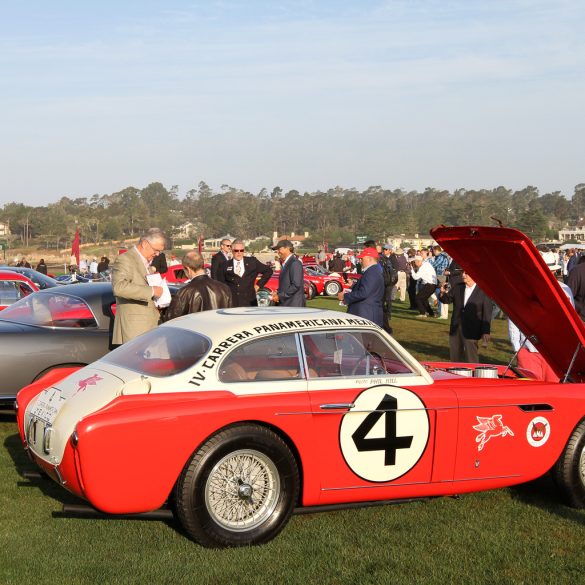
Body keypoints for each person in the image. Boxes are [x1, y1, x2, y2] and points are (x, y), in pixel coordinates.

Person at [111, 228, 166, 345]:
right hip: (134, 329)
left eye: (159, 252)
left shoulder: (147, 263)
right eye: (156, 250)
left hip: (148, 327)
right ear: (145, 244)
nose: (157, 254)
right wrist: (152, 291)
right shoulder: (125, 259)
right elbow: (119, 287)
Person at [439, 271, 492, 363]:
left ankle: (473, 376)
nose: (463, 275)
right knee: (454, 357)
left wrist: (486, 331)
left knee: (471, 358)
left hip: (472, 330)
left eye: (466, 273)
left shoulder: (483, 291)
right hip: (456, 327)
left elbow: (487, 313)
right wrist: (442, 292)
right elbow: (446, 300)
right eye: (463, 273)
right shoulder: (458, 287)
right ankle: (455, 375)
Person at [163, 251, 232, 320]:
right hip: (219, 329)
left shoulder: (185, 292)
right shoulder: (224, 288)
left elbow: (171, 319)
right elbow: (229, 315)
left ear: (188, 269)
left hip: (195, 329)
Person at [337, 247, 384, 327]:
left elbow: (364, 293)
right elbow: (369, 289)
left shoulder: (371, 272)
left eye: (362, 258)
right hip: (368, 313)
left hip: (366, 314)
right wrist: (353, 285)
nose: (360, 260)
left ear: (369, 259)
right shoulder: (374, 270)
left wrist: (344, 296)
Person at [222, 239, 273, 307]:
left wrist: (258, 285)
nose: (239, 253)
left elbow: (268, 271)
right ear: (232, 250)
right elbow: (221, 282)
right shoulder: (225, 265)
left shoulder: (252, 262)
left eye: (241, 250)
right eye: (236, 250)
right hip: (232, 303)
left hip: (249, 302)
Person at [271, 240, 305, 307]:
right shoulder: (287, 263)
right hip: (287, 304)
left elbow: (295, 285)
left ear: (287, 248)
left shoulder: (295, 263)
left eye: (279, 249)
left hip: (293, 305)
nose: (277, 252)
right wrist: (277, 292)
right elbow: (286, 284)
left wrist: (280, 296)